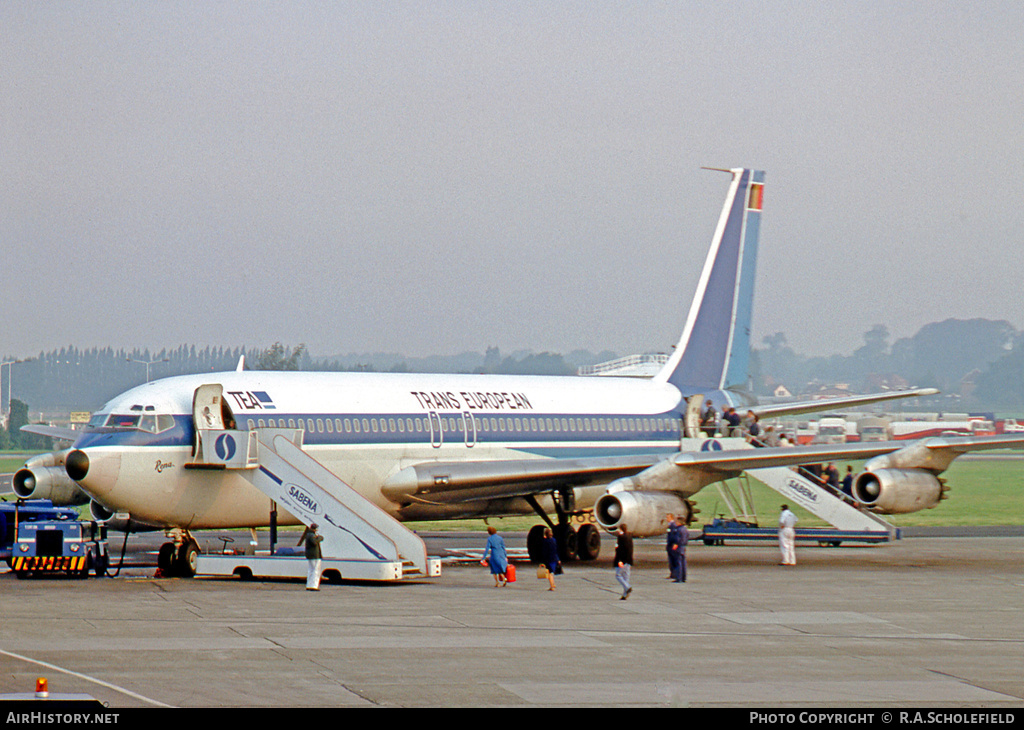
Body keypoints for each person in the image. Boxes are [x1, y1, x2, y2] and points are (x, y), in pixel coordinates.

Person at [614, 524, 633, 600]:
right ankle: (625, 595)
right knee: (626, 577)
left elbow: (620, 551)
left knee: (618, 575)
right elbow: (630, 550)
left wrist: (620, 561)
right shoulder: (629, 537)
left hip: (622, 560)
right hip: (628, 560)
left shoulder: (621, 538)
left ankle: (627, 587)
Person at [303, 523, 323, 591]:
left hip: (310, 555)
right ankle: (314, 586)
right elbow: (314, 542)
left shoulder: (308, 534)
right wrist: (320, 538)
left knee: (311, 570)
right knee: (316, 571)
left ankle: (309, 585)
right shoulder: (311, 535)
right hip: (314, 556)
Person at [666, 514, 685, 583]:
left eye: (668, 517)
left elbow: (676, 537)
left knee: (677, 561)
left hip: (675, 546)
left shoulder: (675, 527)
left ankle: (678, 577)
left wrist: (675, 544)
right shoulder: (679, 528)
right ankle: (678, 576)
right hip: (676, 545)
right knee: (675, 561)